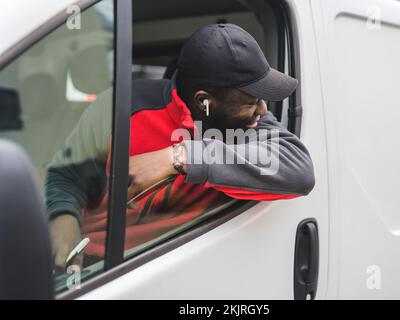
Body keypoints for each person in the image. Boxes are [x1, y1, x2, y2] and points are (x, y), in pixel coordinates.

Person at [46, 23, 315, 275]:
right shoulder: (118, 110)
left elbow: (299, 170)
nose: (263, 110)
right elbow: (66, 175)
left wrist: (178, 157)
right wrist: (63, 215)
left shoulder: (250, 126)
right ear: (204, 101)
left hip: (183, 263)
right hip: (99, 267)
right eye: (252, 101)